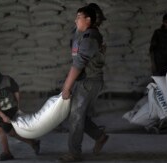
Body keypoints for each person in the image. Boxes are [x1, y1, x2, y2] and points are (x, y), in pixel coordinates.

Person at [59, 6, 109, 162]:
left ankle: (74, 153)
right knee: (76, 115)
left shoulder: (90, 38)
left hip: (89, 81)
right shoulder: (81, 33)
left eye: (79, 17)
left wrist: (67, 86)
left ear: (89, 20)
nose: (75, 20)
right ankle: (99, 136)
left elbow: (78, 64)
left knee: (75, 117)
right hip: (84, 80)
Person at [0, 58, 40, 161]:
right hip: (1, 111)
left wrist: (18, 107)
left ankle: (7, 153)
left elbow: (16, 91)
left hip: (12, 108)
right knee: (10, 132)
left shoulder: (7, 80)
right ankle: (33, 143)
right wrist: (3, 116)